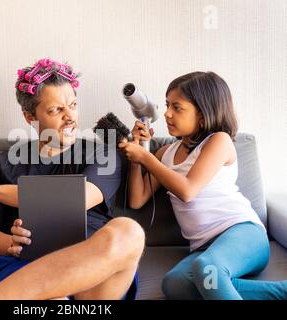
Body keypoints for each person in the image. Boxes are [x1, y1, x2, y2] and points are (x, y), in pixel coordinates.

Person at [0, 58, 145, 300]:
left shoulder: (103, 154)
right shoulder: (5, 164)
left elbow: (77, 199)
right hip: (25, 265)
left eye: (73, 105)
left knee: (129, 231)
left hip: (90, 264)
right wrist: (11, 243)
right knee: (54, 298)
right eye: (56, 110)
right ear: (29, 116)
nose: (70, 117)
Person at [119, 71, 287, 300]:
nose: (167, 113)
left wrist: (146, 159)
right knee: (175, 284)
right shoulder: (165, 154)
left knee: (208, 268)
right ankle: (279, 292)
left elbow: (188, 190)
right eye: (167, 105)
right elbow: (137, 199)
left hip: (243, 233)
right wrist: (139, 153)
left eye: (177, 108)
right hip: (204, 248)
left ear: (202, 114)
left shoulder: (218, 141)